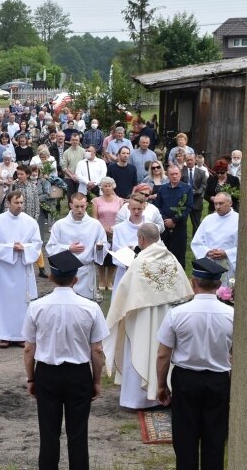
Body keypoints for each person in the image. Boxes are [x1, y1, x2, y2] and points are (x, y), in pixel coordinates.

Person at [23, 250, 108, 470]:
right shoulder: (91, 307)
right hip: (78, 374)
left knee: (49, 434)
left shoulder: (36, 306)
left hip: (47, 373)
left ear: (50, 278)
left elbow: (29, 348)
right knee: (78, 433)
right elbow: (97, 350)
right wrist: (96, 381)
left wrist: (31, 379)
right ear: (76, 279)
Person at [104, 223, 193, 409]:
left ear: (141, 240)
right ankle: (164, 393)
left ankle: (137, 399)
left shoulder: (138, 263)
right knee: (164, 351)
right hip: (167, 317)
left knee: (141, 348)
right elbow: (185, 291)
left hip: (142, 320)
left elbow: (123, 296)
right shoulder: (172, 260)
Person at [156, 258, 233, 470]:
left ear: (193, 282)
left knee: (185, 439)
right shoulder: (232, 315)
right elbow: (235, 354)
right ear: (218, 285)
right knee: (215, 440)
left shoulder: (177, 313)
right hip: (218, 380)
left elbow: (163, 355)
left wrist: (161, 385)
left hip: (186, 379)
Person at [0, 190, 43, 348]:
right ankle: (4, 335)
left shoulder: (30, 221)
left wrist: (24, 247)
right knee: (4, 301)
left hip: (23, 266)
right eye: (16, 203)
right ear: (8, 203)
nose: (20, 206)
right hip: (6, 267)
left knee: (23, 302)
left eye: (21, 203)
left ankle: (21, 335)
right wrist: (11, 247)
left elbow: (37, 243)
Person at [46, 193, 108, 300]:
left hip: (86, 270)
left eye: (82, 206)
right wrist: (68, 248)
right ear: (70, 205)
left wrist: (99, 248)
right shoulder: (60, 224)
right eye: (76, 206)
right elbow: (51, 247)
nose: (80, 210)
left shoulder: (95, 225)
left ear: (87, 205)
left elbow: (104, 244)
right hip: (66, 273)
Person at [191, 192, 239, 286]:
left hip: (230, 263)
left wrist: (226, 253)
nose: (217, 207)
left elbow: (243, 247)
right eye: (215, 204)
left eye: (221, 203)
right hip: (210, 262)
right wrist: (208, 252)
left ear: (230, 203)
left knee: (228, 290)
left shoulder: (239, 220)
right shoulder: (208, 219)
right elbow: (197, 242)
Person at [155, 165, 193, 268]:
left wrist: (174, 220)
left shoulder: (187, 189)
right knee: (163, 253)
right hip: (164, 226)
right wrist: (165, 220)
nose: (175, 176)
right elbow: (158, 206)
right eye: (172, 174)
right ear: (168, 176)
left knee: (179, 254)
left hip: (179, 226)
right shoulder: (163, 189)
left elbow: (188, 207)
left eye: (177, 174)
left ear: (180, 174)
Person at [110, 194, 149, 291]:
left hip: (144, 271)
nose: (136, 212)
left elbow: (155, 249)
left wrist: (137, 250)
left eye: (139, 209)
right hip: (124, 272)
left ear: (144, 207)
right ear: (128, 207)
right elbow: (115, 250)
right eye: (133, 208)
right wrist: (127, 252)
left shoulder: (150, 227)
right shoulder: (119, 228)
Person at [91, 177, 122, 291]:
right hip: (101, 232)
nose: (107, 188)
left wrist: (114, 229)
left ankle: (109, 280)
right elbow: (95, 217)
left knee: (113, 255)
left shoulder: (120, 201)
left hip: (116, 232)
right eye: (105, 186)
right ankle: (102, 279)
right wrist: (103, 228)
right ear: (101, 187)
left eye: (109, 185)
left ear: (113, 186)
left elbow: (122, 217)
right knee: (100, 256)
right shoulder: (96, 201)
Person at [181, 153, 207, 234]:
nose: (189, 162)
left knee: (196, 223)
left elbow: (204, 186)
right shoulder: (181, 172)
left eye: (191, 160)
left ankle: (196, 241)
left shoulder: (202, 172)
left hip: (197, 200)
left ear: (195, 160)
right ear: (185, 161)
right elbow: (179, 183)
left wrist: (196, 192)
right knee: (182, 223)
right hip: (184, 200)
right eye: (187, 160)